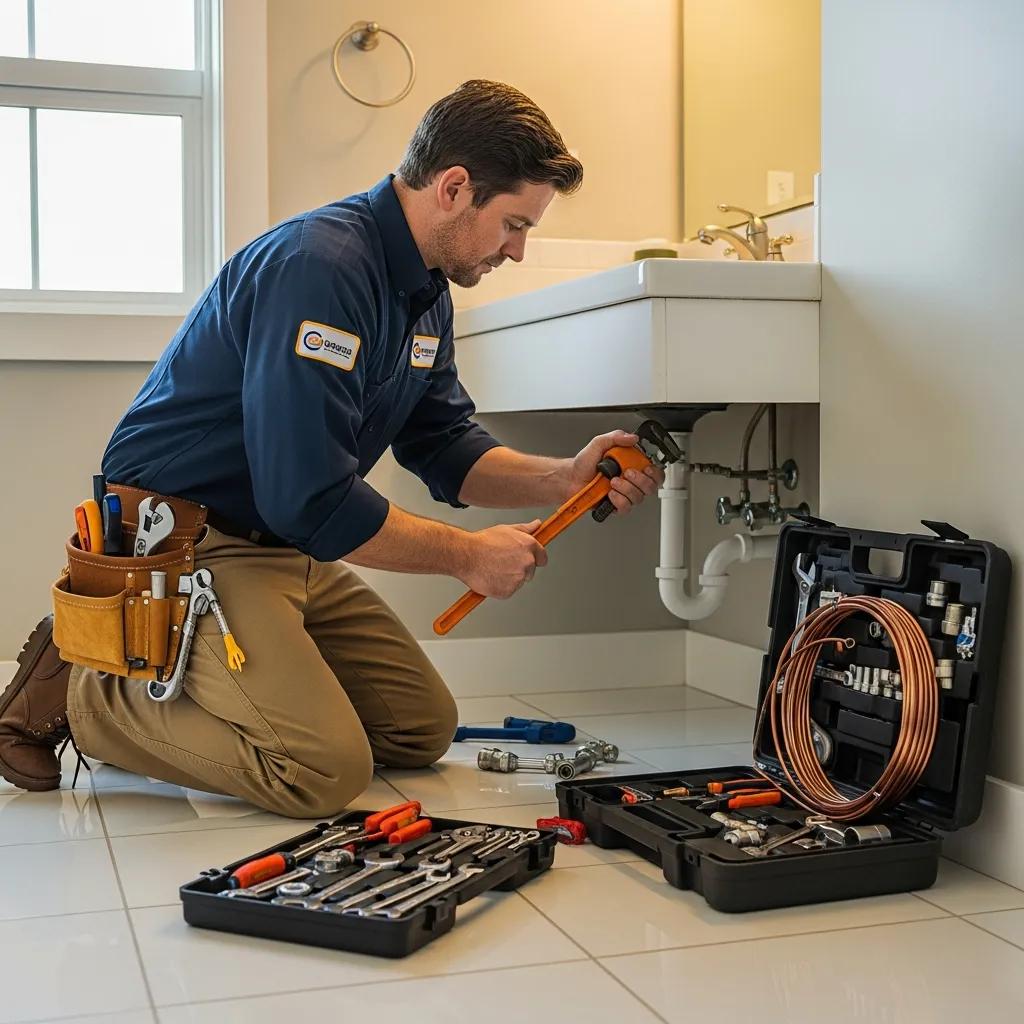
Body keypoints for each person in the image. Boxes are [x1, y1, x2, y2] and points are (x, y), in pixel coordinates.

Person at [0, 80, 662, 816]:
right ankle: (94, 689)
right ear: (454, 187)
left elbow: (444, 445)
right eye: (513, 224)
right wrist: (466, 555)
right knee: (321, 770)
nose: (518, 248)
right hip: (187, 544)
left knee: (419, 729)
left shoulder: (425, 294)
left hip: (284, 545)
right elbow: (310, 495)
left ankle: (194, 669)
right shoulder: (321, 267)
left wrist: (566, 476)